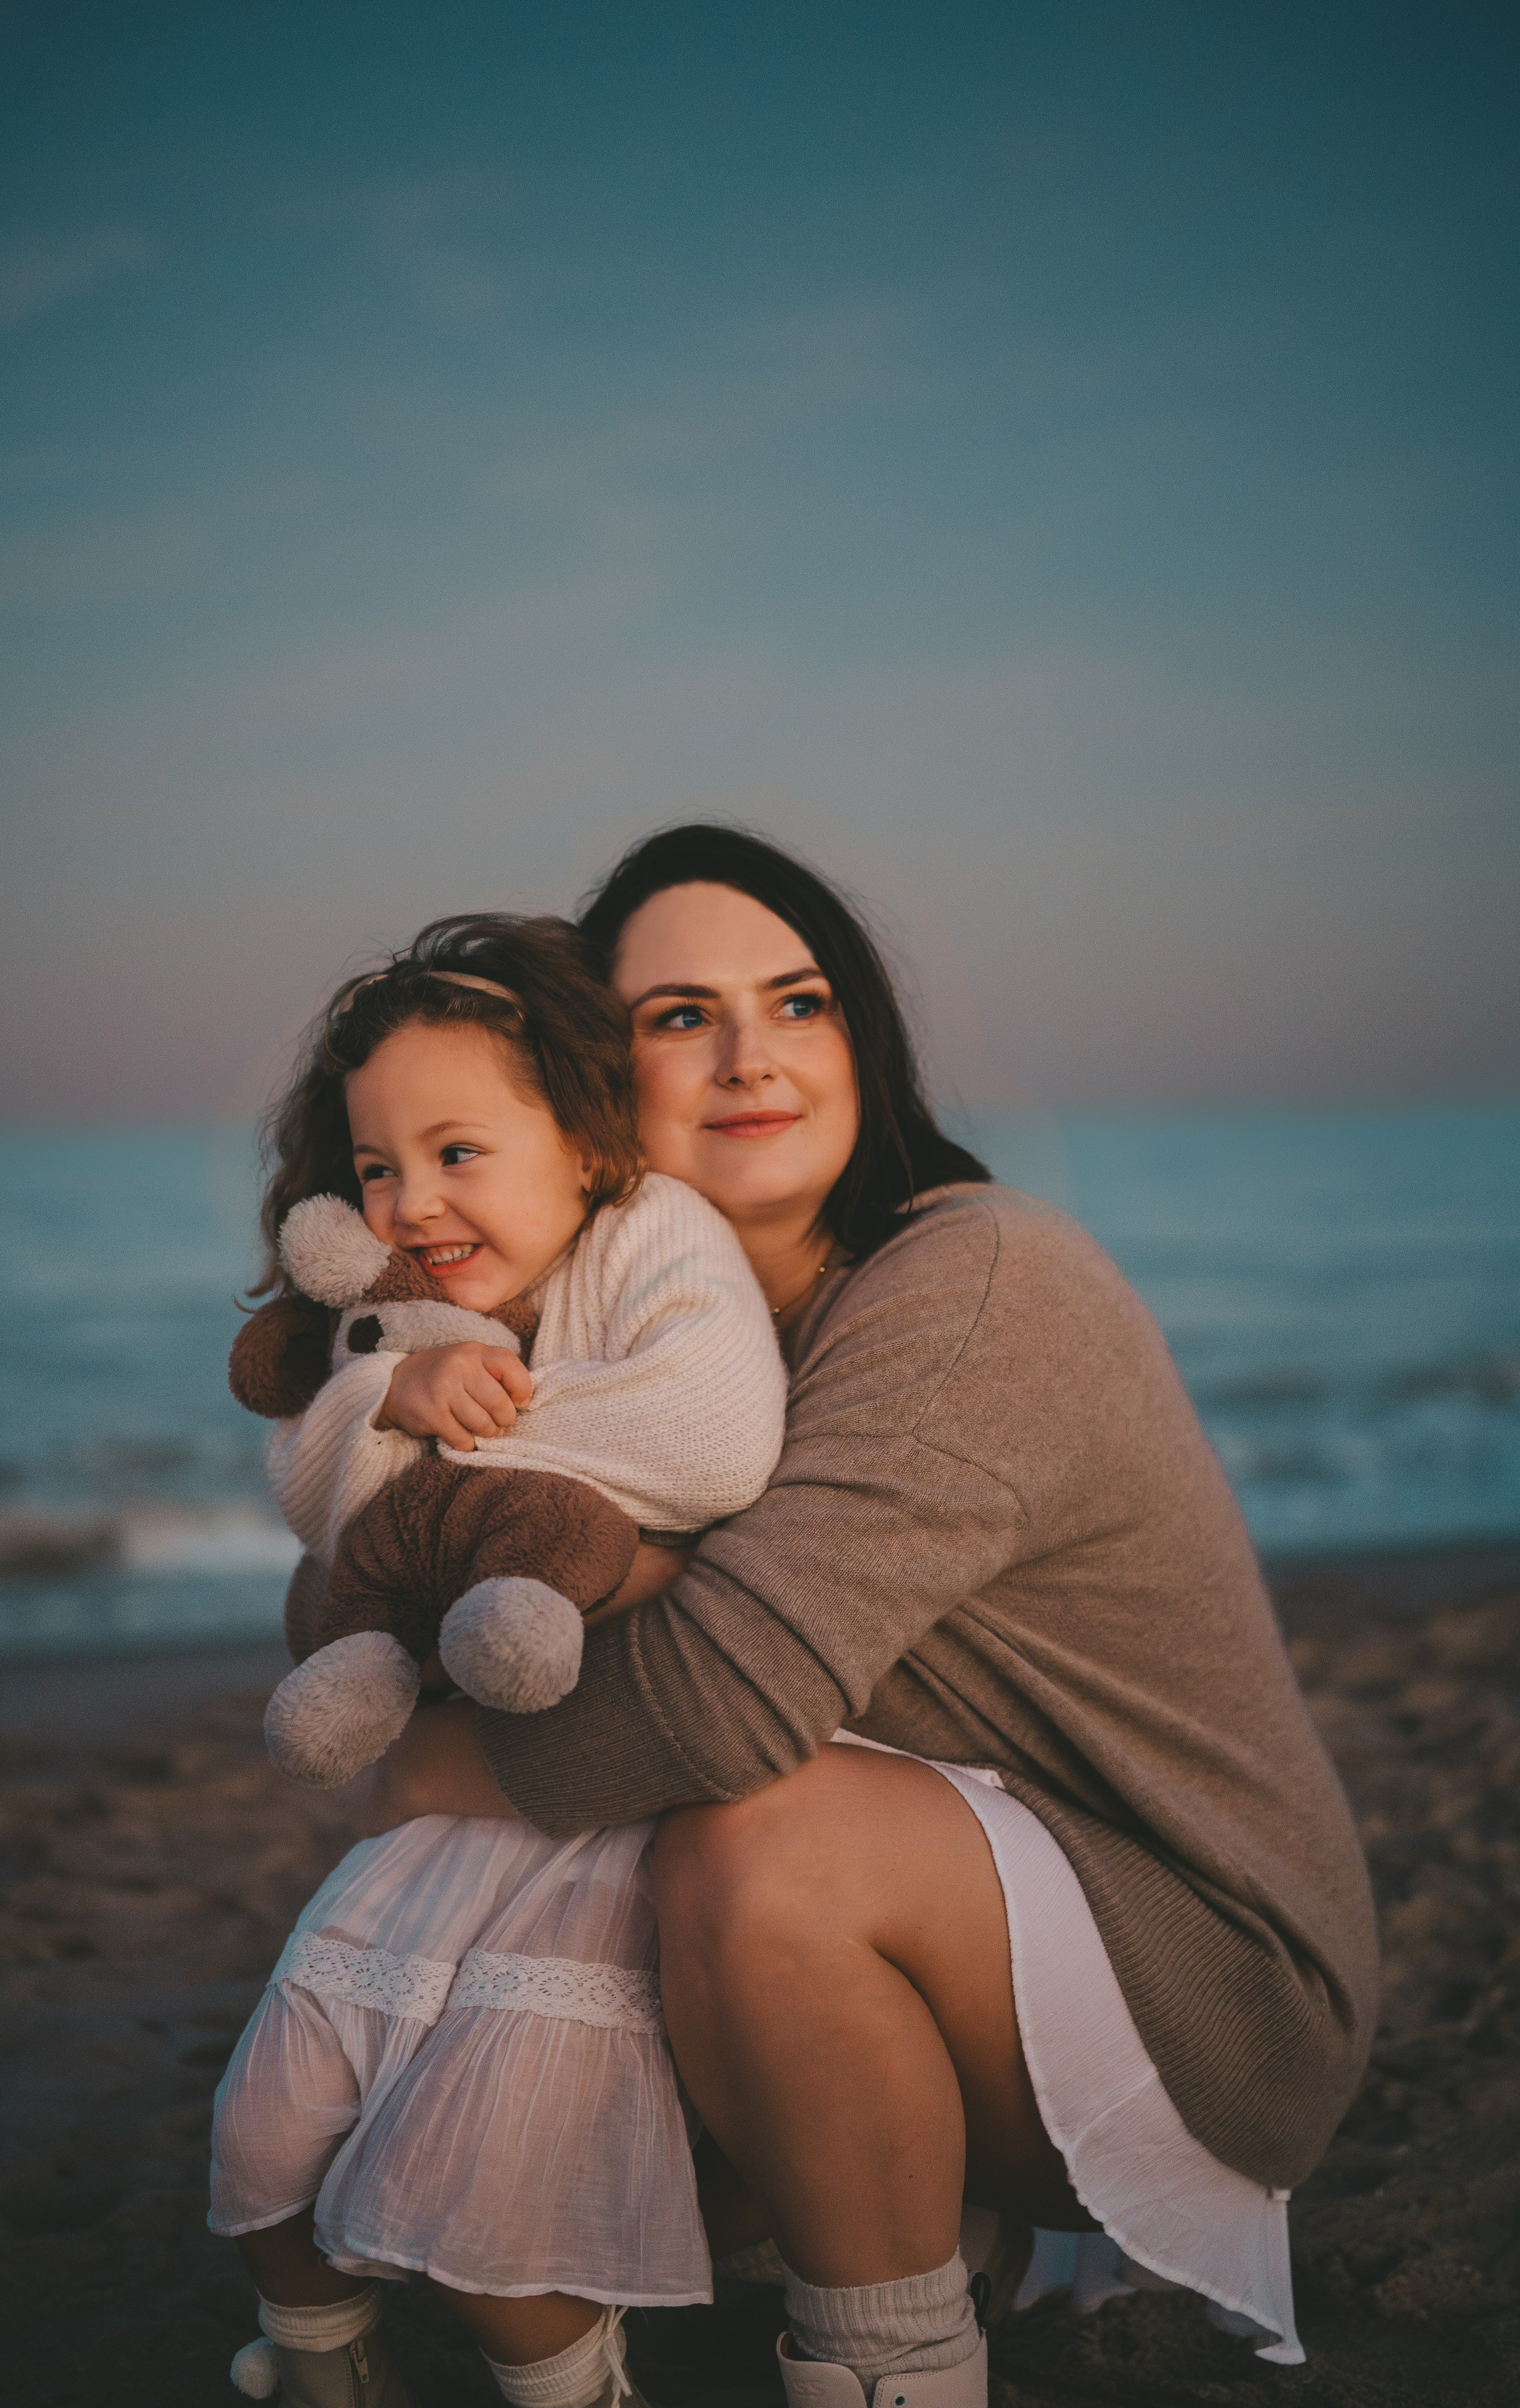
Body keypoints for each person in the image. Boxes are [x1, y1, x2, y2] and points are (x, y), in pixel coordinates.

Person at [364, 822, 1381, 2405]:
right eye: (682, 1016)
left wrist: (427, 1768)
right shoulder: (632, 1338)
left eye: (802, 1000)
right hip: (973, 1874)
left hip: (1204, 1966)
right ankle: (914, 2228)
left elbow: (717, 1705)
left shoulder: (970, 1280)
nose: (756, 1055)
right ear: (581, 1081)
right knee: (464, 2065)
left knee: (750, 1841)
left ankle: (897, 2372)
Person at [210, 912, 788, 2407]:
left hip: (613, 1788)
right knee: (265, 2138)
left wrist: (421, 1438)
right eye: (377, 1165)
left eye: (457, 1151)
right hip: (453, 1780)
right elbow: (324, 1515)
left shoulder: (655, 1232)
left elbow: (708, 1435)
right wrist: (393, 1384)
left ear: (587, 1143)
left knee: (487, 2210)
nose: (407, 1203)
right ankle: (323, 2368)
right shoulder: (393, 1327)